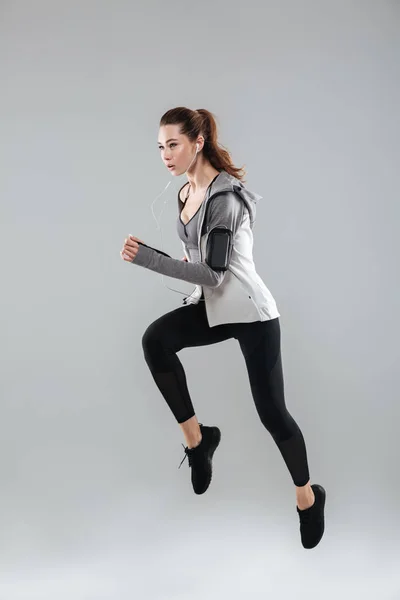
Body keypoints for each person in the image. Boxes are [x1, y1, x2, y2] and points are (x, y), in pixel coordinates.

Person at [120, 107, 326, 549]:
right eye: (160, 146)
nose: (165, 155)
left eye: (173, 144)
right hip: (213, 308)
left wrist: (147, 257)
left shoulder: (226, 200)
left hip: (251, 313)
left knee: (272, 414)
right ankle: (199, 442)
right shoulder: (184, 194)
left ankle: (308, 498)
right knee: (155, 341)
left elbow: (214, 273)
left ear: (197, 143)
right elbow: (201, 271)